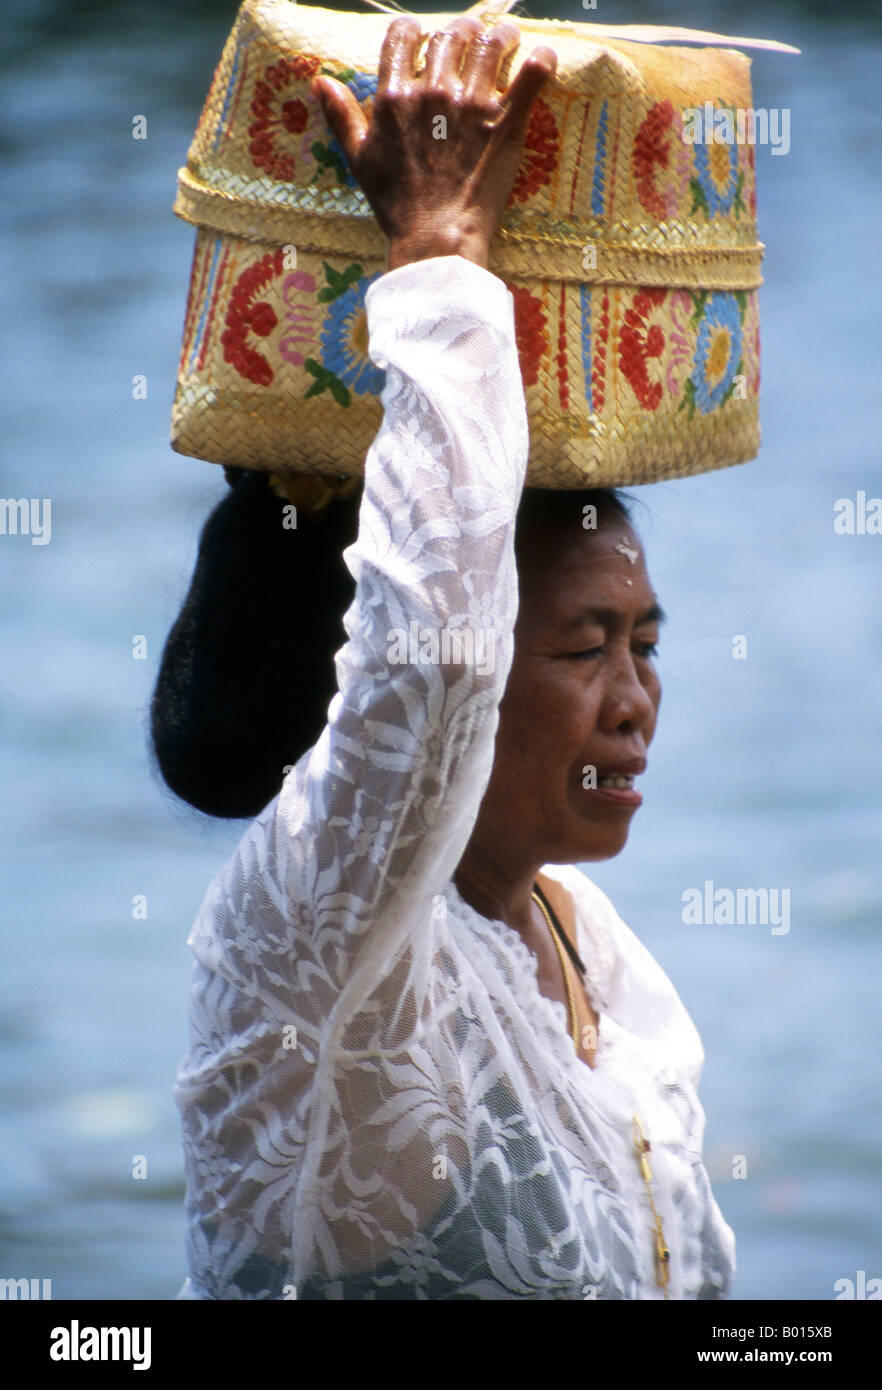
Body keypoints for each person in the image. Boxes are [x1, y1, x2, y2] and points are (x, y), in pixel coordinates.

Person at [160, 16, 736, 1299]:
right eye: (587, 645)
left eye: (646, 645)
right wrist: (438, 263)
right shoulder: (324, 933)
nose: (636, 702)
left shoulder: (591, 951)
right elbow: (425, 670)